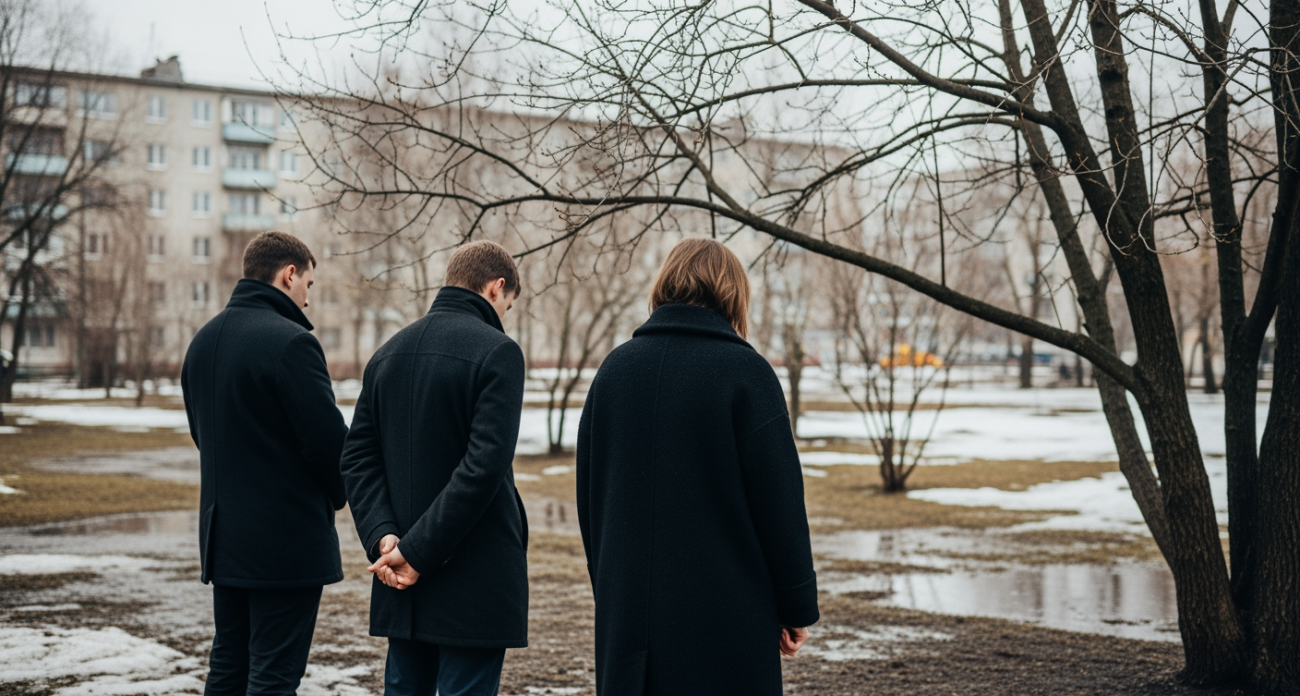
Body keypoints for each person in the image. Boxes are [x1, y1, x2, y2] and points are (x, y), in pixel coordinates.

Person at [576, 238, 819, 695]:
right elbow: (780, 503)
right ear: (733, 293)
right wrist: (796, 605)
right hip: (727, 618)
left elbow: (592, 500)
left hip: (629, 620)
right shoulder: (746, 373)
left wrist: (612, 589)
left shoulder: (614, 371)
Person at [341, 240, 528, 696]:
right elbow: (483, 467)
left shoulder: (387, 353)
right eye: (508, 304)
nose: (504, 314)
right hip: (472, 578)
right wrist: (417, 554)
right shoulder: (498, 352)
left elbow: (357, 457)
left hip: (397, 575)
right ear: (495, 287)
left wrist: (385, 537)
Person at [181, 231, 349, 696]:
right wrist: (338, 494)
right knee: (274, 675)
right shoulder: (291, 342)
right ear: (288, 274)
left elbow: (203, 435)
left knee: (230, 665)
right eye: (308, 285)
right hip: (283, 543)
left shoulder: (203, 341)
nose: (308, 300)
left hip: (224, 539)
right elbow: (328, 444)